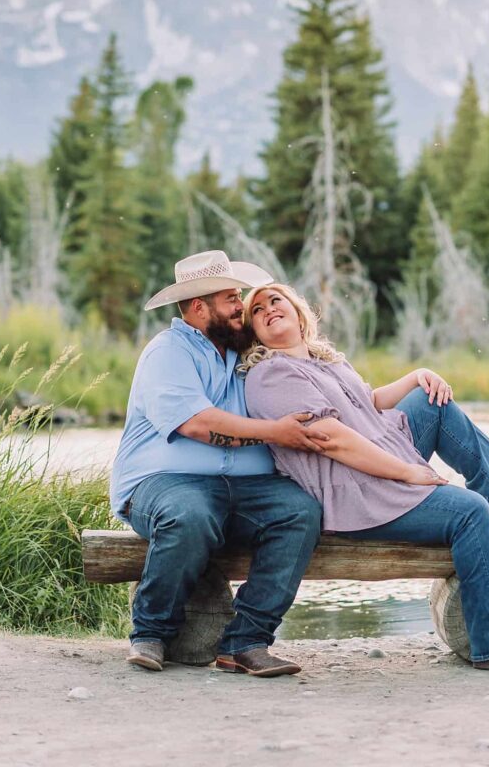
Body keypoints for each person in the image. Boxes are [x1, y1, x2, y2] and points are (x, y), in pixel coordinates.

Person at [241, 282, 489, 671]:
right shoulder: (270, 374)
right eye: (257, 311)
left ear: (297, 311)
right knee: (468, 511)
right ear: (254, 332)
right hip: (353, 489)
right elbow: (332, 440)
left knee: (434, 401)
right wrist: (407, 472)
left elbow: (368, 402)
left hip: (380, 456)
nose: (268, 310)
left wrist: (417, 375)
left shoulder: (323, 360)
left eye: (275, 300)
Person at [110, 252, 330, 678]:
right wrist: (275, 433)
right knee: (190, 513)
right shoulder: (167, 352)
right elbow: (196, 424)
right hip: (164, 484)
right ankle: (151, 632)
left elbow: (320, 377)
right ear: (198, 308)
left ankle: (247, 642)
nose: (241, 306)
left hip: (246, 488)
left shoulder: (247, 351)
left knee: (300, 512)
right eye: (231, 298)